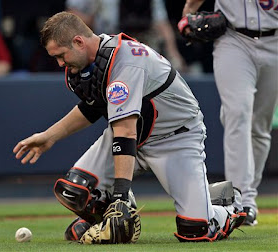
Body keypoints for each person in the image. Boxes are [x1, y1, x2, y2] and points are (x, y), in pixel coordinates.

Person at [13, 11, 246, 244]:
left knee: (195, 230)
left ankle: (225, 206)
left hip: (175, 139)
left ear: (78, 42)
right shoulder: (95, 61)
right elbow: (93, 107)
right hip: (136, 135)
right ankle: (107, 218)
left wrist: (120, 196)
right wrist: (49, 136)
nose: (60, 63)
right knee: (75, 191)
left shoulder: (125, 61)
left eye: (61, 55)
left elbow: (125, 131)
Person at [180, 0, 278, 226]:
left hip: (275, 42)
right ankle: (242, 201)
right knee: (237, 114)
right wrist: (189, 11)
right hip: (234, 41)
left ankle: (247, 196)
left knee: (260, 128)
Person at [66, 0, 188, 73]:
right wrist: (92, 19)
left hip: (141, 44)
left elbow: (161, 22)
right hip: (103, 45)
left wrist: (174, 54)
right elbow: (71, 15)